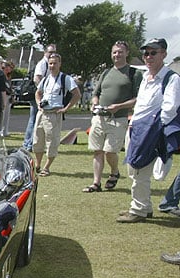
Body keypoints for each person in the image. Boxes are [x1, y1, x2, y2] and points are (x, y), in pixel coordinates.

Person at [117, 38, 180, 223]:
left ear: (163, 54)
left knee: (139, 170)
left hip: (150, 130)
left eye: (153, 52)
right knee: (133, 169)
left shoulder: (171, 78)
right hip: (136, 127)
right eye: (146, 53)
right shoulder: (146, 77)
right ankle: (144, 205)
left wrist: (155, 129)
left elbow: (170, 108)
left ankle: (138, 210)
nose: (149, 56)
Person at [82, 41, 141, 193]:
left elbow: (138, 98)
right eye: (114, 52)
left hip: (118, 119)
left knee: (110, 151)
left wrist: (119, 106)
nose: (117, 55)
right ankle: (96, 183)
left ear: (127, 53)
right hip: (99, 118)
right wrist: (94, 103)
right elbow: (96, 94)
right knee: (97, 150)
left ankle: (114, 171)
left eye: (120, 52)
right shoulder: (106, 73)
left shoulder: (134, 73)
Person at [32, 53, 80, 176]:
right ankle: (37, 165)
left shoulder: (66, 79)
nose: (52, 66)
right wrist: (38, 104)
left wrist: (66, 108)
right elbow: (38, 93)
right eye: (50, 63)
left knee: (52, 141)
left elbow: (76, 94)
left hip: (54, 114)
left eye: (54, 63)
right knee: (37, 140)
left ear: (60, 64)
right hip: (42, 113)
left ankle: (46, 167)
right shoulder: (46, 79)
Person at [23, 44, 56, 150]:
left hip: (42, 95)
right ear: (45, 52)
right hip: (37, 96)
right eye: (50, 52)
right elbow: (37, 78)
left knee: (37, 119)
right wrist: (42, 92)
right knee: (34, 119)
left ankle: (32, 142)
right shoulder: (42, 64)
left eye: (54, 52)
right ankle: (28, 143)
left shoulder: (48, 64)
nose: (52, 54)